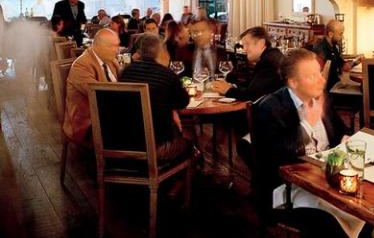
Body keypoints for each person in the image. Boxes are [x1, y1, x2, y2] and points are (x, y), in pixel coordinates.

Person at [252, 49, 356, 238]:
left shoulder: (323, 98)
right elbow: (277, 159)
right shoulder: (270, 108)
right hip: (287, 189)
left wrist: (347, 139)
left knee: (371, 219)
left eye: (319, 74)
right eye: (311, 76)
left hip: (326, 181)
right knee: (325, 227)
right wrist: (306, 126)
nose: (320, 80)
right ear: (292, 82)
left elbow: (339, 132)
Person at [118, 34, 192, 162]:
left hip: (123, 144)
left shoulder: (126, 71)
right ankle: (178, 179)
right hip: (157, 149)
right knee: (189, 142)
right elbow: (182, 102)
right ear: (161, 51)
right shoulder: (167, 74)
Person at [63, 29, 120, 144]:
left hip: (107, 115)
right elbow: (100, 96)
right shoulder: (81, 65)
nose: (117, 50)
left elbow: (123, 84)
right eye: (113, 46)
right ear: (98, 46)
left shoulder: (110, 61)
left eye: (117, 45)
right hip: (88, 125)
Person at [210, 26, 283, 102]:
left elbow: (252, 96)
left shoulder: (268, 63)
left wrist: (228, 90)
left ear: (261, 43)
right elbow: (254, 86)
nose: (244, 49)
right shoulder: (271, 55)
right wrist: (233, 86)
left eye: (247, 44)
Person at [310, 18, 361, 92]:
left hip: (336, 84)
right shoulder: (321, 49)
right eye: (340, 34)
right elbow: (322, 74)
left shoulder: (333, 46)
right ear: (330, 34)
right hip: (329, 89)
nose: (342, 37)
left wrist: (355, 62)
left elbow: (342, 65)